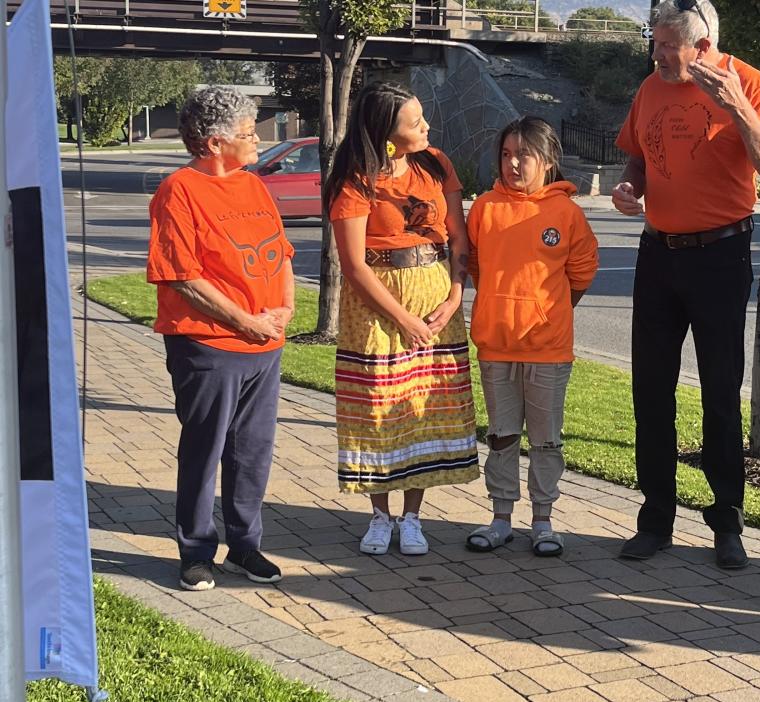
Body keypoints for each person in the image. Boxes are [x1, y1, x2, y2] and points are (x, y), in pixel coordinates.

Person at [612, 0, 760, 567]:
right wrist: (629, 188)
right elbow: (638, 158)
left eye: (669, 46)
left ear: (703, 45)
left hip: (720, 254)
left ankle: (727, 522)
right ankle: (655, 519)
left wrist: (737, 107)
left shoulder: (749, 84)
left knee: (719, 390)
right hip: (657, 254)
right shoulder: (650, 88)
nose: (658, 55)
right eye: (656, 43)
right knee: (650, 389)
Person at [146, 86, 294, 591]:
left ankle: (245, 546)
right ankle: (195, 551)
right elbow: (182, 277)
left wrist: (285, 309)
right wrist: (244, 322)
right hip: (208, 345)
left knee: (253, 450)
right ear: (214, 143)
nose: (257, 140)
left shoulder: (253, 185)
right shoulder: (179, 191)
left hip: (264, 346)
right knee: (205, 449)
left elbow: (282, 252)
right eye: (248, 133)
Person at [326, 81, 479, 556]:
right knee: (378, 407)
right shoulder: (356, 179)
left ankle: (413, 517)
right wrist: (403, 319)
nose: (427, 127)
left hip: (435, 296)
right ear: (385, 133)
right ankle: (379, 515)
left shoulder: (435, 163)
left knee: (422, 410)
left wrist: (455, 296)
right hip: (377, 305)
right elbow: (353, 265)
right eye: (415, 122)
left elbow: (458, 237)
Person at [464, 117, 599, 557]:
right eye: (506, 154)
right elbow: (477, 267)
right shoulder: (484, 208)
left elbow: (581, 273)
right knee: (501, 436)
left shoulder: (566, 213)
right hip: (495, 345)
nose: (513, 164)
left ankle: (543, 521)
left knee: (545, 440)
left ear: (548, 159)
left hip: (548, 350)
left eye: (524, 154)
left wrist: (548, 311)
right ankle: (500, 519)